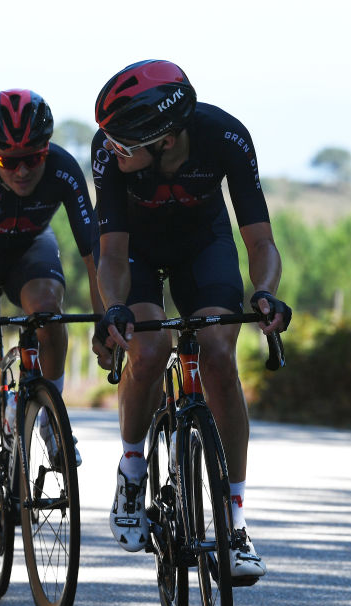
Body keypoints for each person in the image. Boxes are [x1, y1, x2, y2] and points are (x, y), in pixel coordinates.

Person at [91, 59, 292, 579]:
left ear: (164, 138)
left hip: (203, 246)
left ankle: (236, 520)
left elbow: (260, 240)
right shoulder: (108, 153)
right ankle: (133, 468)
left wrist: (265, 293)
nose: (113, 149)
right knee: (151, 349)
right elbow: (111, 254)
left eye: (124, 144)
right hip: (135, 253)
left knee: (219, 354)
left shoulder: (224, 135)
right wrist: (113, 307)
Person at [0, 89, 102, 570]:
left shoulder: (65, 169)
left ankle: (49, 415)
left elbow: (94, 257)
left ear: (46, 150)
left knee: (48, 312)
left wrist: (105, 321)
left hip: (28, 252)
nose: (21, 170)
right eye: (6, 160)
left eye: (32, 158)